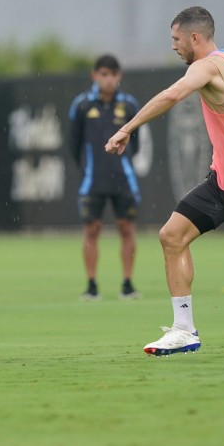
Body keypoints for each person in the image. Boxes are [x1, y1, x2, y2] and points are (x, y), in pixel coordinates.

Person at [105, 6, 224, 356]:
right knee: (171, 236)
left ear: (195, 38)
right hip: (222, 182)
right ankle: (184, 330)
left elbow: (172, 96)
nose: (173, 46)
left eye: (176, 39)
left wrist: (126, 129)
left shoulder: (206, 66)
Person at [68, 54, 142, 301]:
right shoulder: (82, 105)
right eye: (103, 74)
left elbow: (136, 144)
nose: (108, 79)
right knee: (92, 230)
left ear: (119, 76)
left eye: (113, 74)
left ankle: (128, 284)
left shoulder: (130, 105)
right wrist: (91, 166)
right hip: (93, 180)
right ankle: (91, 285)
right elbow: (74, 144)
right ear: (94, 75)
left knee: (127, 229)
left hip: (123, 179)